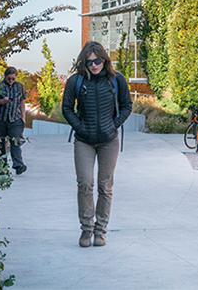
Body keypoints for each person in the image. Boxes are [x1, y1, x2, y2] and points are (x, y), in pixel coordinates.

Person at [62, 41, 132, 248]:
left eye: (97, 61)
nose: (93, 65)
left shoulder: (116, 80)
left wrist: (114, 125)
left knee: (105, 186)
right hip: (84, 141)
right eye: (89, 61)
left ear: (104, 60)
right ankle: (86, 229)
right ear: (83, 62)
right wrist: (79, 127)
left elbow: (127, 106)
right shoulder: (76, 81)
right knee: (85, 183)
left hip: (109, 141)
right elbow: (67, 108)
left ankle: (101, 231)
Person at [0, 67, 28, 175]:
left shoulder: (19, 87)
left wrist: (23, 118)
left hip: (15, 119)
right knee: (0, 144)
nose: (11, 81)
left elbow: (22, 102)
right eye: (9, 79)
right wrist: (2, 101)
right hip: (1, 119)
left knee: (15, 142)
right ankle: (2, 167)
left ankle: (18, 165)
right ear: (5, 77)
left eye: (13, 79)